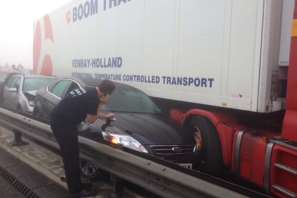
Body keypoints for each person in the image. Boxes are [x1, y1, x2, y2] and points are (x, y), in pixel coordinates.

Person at [50, 80, 115, 197]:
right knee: (71, 157)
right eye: (110, 95)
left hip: (59, 120)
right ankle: (76, 190)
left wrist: (105, 116)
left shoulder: (88, 90)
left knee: (71, 155)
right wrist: (101, 103)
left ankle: (76, 183)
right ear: (106, 93)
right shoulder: (94, 98)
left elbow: (88, 111)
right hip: (63, 124)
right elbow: (90, 120)